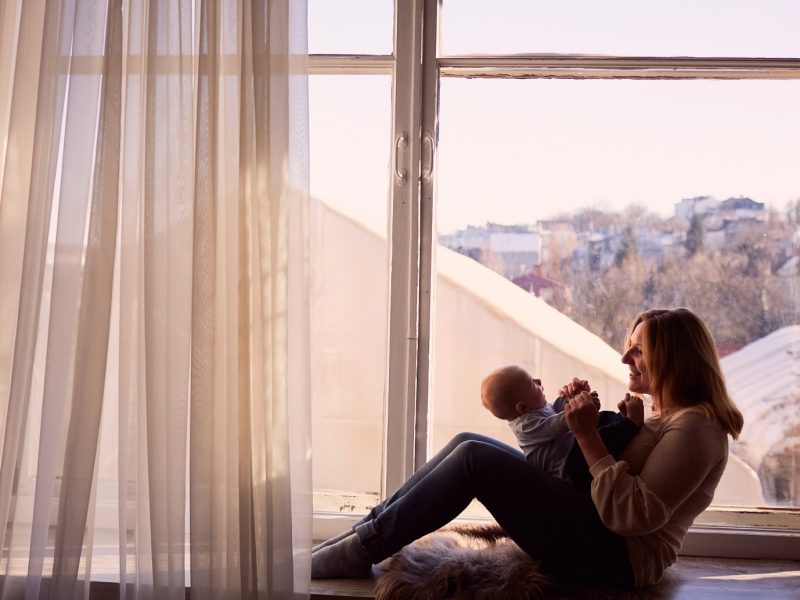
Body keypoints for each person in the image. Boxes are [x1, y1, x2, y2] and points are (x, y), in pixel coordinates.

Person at [311, 307, 744, 589]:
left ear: (673, 358)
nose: (625, 358)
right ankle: (359, 537)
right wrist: (593, 427)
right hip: (594, 532)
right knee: (469, 443)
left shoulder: (697, 427)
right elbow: (603, 476)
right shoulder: (665, 416)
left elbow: (633, 517)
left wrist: (589, 436)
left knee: (475, 461)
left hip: (617, 560)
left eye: (638, 350)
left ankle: (358, 550)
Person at [480, 364, 643, 491]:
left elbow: (555, 410)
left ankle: (621, 419)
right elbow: (560, 422)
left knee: (601, 419)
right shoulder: (525, 427)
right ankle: (630, 424)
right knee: (603, 437)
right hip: (570, 468)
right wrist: (581, 406)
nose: (539, 381)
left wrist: (572, 397)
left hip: (572, 450)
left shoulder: (535, 409)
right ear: (522, 408)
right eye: (532, 384)